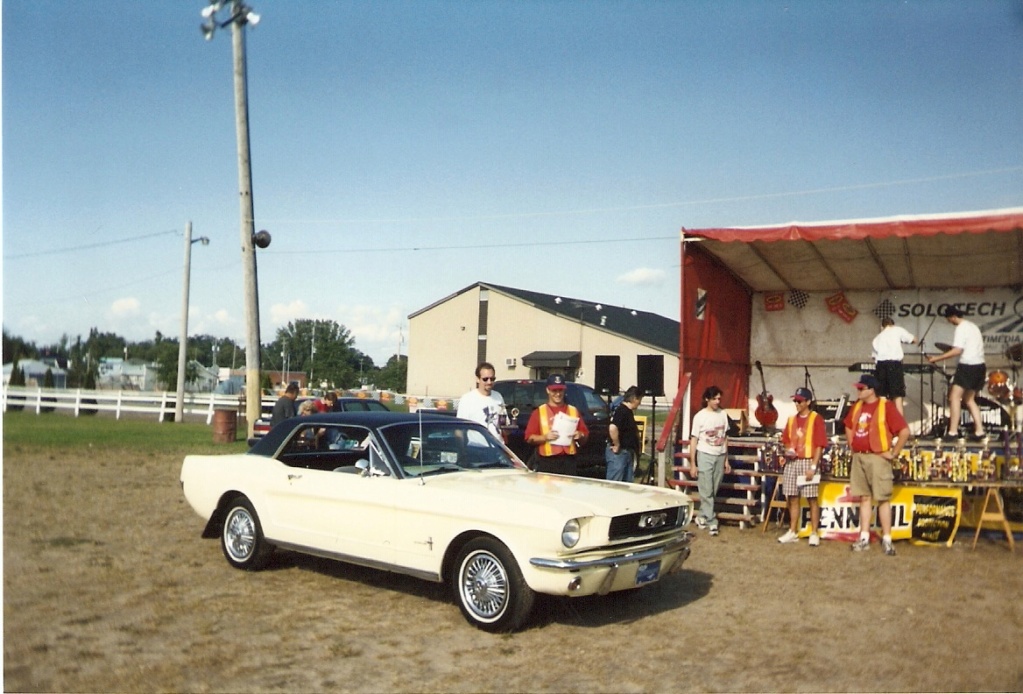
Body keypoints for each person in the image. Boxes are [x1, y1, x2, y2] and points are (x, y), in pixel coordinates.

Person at [842, 374, 910, 556]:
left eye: (861, 388)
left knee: (882, 498)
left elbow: (904, 431)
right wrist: (852, 444)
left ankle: (887, 539)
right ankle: (863, 537)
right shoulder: (856, 407)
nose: (858, 391)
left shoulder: (885, 406)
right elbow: (848, 425)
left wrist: (894, 453)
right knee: (864, 497)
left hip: (878, 457)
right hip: (860, 457)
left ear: (871, 390)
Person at [927, 305, 986, 440]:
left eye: (949, 319)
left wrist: (936, 358)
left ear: (953, 317)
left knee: (953, 397)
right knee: (969, 399)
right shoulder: (973, 326)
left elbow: (957, 350)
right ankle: (980, 431)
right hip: (980, 366)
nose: (949, 322)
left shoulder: (961, 328)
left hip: (968, 366)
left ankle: (953, 431)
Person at [777, 387, 826, 546]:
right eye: (795, 401)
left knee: (811, 498)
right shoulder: (791, 419)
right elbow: (785, 440)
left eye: (799, 401)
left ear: (808, 402)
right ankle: (793, 531)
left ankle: (814, 532)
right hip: (792, 461)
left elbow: (819, 444)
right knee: (792, 497)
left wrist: (813, 466)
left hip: (807, 460)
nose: (796, 404)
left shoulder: (816, 418)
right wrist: (787, 451)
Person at [524, 374, 589, 475]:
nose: (558, 394)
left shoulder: (573, 410)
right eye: (554, 390)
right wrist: (545, 437)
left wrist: (580, 435)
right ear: (548, 391)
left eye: (560, 390)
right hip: (547, 461)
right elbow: (529, 438)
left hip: (569, 460)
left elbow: (584, 435)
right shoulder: (539, 412)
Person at [689, 385, 730, 537]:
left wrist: (726, 460)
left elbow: (725, 437)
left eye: (719, 399)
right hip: (705, 453)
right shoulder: (700, 416)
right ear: (707, 399)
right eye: (714, 399)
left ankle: (702, 516)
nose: (717, 402)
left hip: (719, 454)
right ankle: (712, 521)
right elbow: (694, 439)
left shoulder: (723, 414)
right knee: (706, 488)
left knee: (713, 488)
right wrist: (693, 463)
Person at [872, 317, 917, 416]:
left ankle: (881, 421)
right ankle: (899, 424)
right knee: (897, 395)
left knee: (882, 395)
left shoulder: (877, 338)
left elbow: (874, 357)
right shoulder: (897, 330)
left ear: (882, 327)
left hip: (880, 366)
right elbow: (913, 339)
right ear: (893, 324)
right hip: (894, 365)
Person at [456, 362, 507, 438]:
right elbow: (459, 429)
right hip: (477, 446)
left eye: (492, 379)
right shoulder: (467, 399)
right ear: (477, 379)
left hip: (497, 446)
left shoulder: (498, 396)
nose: (489, 382)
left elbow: (505, 426)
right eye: (485, 379)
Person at [606, 386, 642, 482]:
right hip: (619, 454)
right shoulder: (622, 411)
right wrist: (616, 444)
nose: (640, 403)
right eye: (639, 400)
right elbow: (613, 428)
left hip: (627, 453)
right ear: (634, 398)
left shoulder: (627, 412)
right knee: (615, 485)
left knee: (627, 486)